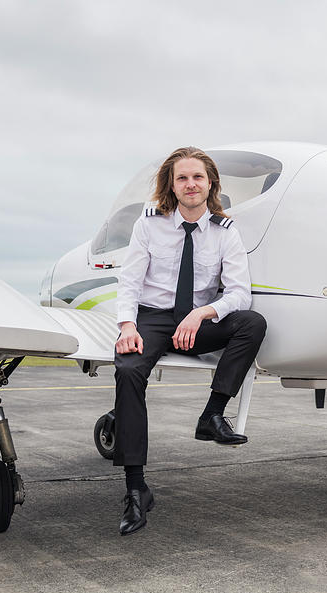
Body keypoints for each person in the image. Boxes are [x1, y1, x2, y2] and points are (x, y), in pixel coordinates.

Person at [114, 146, 266, 536]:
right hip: (153, 318)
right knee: (128, 371)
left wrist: (202, 313)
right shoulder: (149, 224)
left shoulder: (225, 231)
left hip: (196, 321)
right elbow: (130, 281)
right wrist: (127, 327)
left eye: (197, 177)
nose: (191, 184)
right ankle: (135, 488)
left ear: (210, 182)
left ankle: (212, 415)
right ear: (172, 185)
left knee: (252, 322)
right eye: (182, 178)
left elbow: (239, 293)